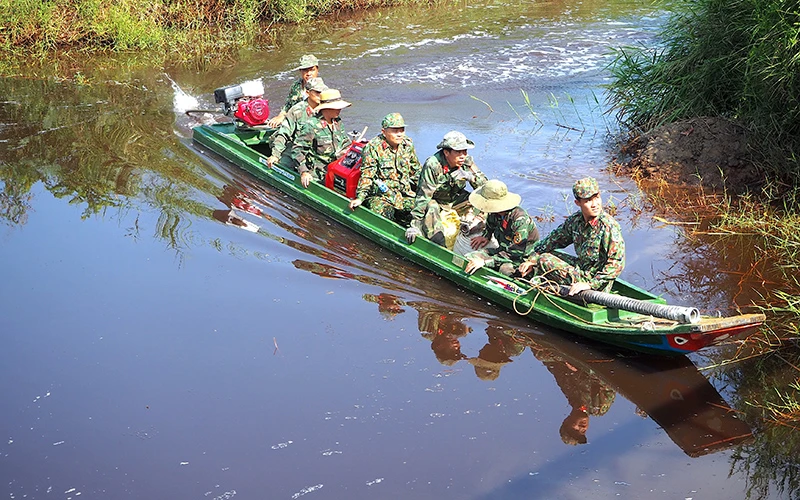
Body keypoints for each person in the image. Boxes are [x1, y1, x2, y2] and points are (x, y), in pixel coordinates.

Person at [519, 176, 625, 295]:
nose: (595, 204)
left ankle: (546, 284)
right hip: (582, 270)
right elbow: (553, 240)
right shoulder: (575, 221)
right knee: (543, 256)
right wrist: (532, 260)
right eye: (588, 200)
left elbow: (616, 264)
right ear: (577, 203)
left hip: (596, 284)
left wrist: (590, 284)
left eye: (597, 198)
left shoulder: (608, 226)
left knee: (545, 259)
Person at [405, 131, 488, 246]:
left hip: (454, 199)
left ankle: (479, 230)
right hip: (437, 201)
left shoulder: (466, 161)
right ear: (446, 152)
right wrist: (415, 225)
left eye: (465, 151)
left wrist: (471, 177)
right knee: (431, 207)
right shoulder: (433, 165)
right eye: (458, 152)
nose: (463, 155)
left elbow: (486, 188)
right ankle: (439, 243)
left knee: (481, 200)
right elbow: (424, 196)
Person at [348, 113, 422, 224]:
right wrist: (360, 198)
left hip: (404, 195)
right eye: (395, 131)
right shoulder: (373, 147)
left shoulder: (407, 145)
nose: (399, 134)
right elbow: (367, 175)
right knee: (384, 216)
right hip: (381, 197)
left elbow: (416, 171)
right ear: (384, 132)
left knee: (427, 208)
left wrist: (428, 191)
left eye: (402, 130)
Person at [463, 180, 540, 276]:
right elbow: (490, 225)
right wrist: (486, 236)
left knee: (505, 270)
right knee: (472, 257)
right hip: (503, 251)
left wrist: (486, 262)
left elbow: (515, 253)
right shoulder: (495, 213)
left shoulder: (520, 220)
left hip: (521, 258)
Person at [290, 88, 351, 188]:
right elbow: (298, 150)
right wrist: (304, 172)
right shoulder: (311, 125)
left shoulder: (337, 121)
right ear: (326, 108)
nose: (339, 110)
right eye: (336, 107)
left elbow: (344, 142)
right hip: (319, 173)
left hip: (337, 169)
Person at [266, 77, 328, 167]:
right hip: (295, 148)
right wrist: (275, 155)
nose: (320, 95)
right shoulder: (297, 110)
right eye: (317, 92)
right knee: (283, 168)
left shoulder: (326, 109)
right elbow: (284, 133)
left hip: (316, 150)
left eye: (323, 92)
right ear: (308, 92)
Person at [266, 54, 320, 129]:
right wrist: (281, 116)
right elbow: (288, 105)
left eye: (312, 70)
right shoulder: (296, 86)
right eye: (305, 70)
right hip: (295, 121)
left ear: (317, 70)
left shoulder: (322, 89)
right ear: (300, 71)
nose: (309, 74)